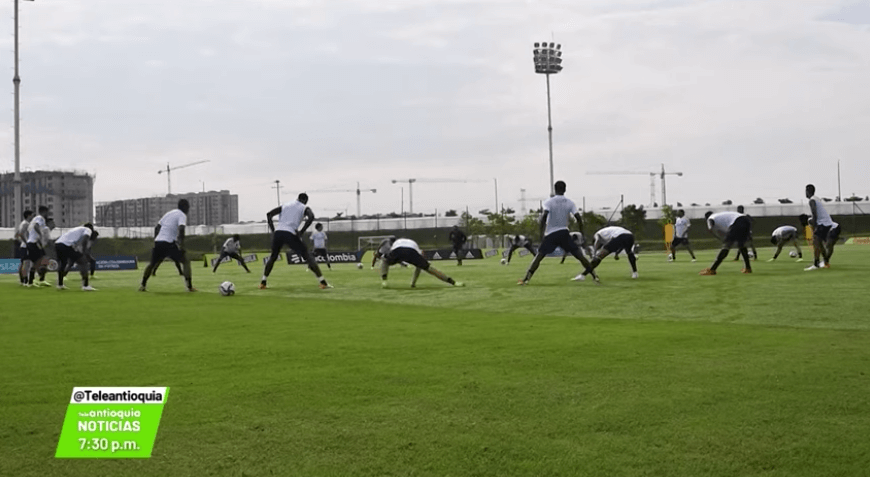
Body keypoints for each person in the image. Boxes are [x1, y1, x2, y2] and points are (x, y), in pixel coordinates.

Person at [518, 181, 598, 285]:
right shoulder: (570, 202)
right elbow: (578, 218)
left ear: (555, 189)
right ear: (565, 189)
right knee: (580, 256)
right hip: (564, 233)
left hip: (551, 234)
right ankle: (595, 276)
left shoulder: (549, 202)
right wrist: (582, 233)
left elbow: (544, 217)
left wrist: (541, 233)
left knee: (539, 257)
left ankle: (526, 279)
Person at [260, 193, 332, 290]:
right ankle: (322, 282)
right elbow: (311, 217)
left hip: (278, 233)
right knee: (307, 255)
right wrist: (301, 231)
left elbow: (269, 214)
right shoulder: (304, 207)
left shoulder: (285, 205)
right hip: (290, 233)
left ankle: (263, 282)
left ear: (297, 198)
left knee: (273, 257)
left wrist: (273, 231)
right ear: (305, 200)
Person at [139, 199, 195, 292]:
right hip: (169, 243)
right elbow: (181, 228)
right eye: (188, 207)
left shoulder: (169, 213)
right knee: (185, 262)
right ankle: (189, 286)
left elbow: (157, 227)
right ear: (185, 207)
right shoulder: (182, 215)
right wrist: (181, 244)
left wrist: (156, 239)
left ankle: (143, 285)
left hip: (159, 242)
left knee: (152, 264)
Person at [373, 237, 464, 288]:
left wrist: (381, 255)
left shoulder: (396, 243)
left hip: (398, 250)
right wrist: (413, 283)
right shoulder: (413, 244)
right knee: (430, 269)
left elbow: (386, 258)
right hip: (412, 251)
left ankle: (384, 281)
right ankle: (453, 282)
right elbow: (418, 267)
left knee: (385, 261)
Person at [574, 226, 638, 280]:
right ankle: (635, 273)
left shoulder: (597, 234)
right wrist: (617, 253)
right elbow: (621, 244)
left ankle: (583, 275)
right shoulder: (606, 234)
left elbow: (596, 241)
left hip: (619, 236)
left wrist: (594, 254)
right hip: (630, 236)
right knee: (629, 253)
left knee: (599, 257)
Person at [699, 210, 752, 275]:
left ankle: (712, 269)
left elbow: (711, 228)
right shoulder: (720, 217)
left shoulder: (710, 218)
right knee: (741, 245)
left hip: (737, 222)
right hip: (746, 220)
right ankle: (748, 268)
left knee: (726, 246)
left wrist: (722, 239)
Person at [55, 223, 97, 291]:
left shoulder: (77, 229)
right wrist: (83, 251)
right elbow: (85, 238)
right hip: (67, 245)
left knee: (63, 264)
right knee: (83, 262)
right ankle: (85, 285)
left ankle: (60, 285)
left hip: (58, 244)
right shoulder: (88, 230)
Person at [804, 184, 836, 271]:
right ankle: (825, 262)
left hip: (823, 224)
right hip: (826, 223)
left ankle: (816, 264)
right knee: (819, 243)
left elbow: (815, 213)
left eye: (805, 191)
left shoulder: (812, 200)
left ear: (808, 191)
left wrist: (814, 225)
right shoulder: (817, 198)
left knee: (816, 242)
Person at [24, 206, 51, 287]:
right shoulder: (40, 218)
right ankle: (32, 282)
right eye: (47, 212)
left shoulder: (34, 219)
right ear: (44, 211)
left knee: (41, 261)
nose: (47, 214)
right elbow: (36, 226)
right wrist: (41, 235)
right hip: (33, 244)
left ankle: (37, 280)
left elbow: (29, 231)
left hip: (32, 243)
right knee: (40, 261)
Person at [14, 210, 33, 286]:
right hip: (26, 246)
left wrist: (21, 242)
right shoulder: (26, 224)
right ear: (28, 215)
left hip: (23, 246)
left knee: (23, 263)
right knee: (26, 263)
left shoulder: (22, 223)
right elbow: (21, 234)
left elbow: (16, 235)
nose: (33, 217)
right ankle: (25, 281)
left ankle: (22, 280)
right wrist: (26, 242)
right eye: (32, 215)